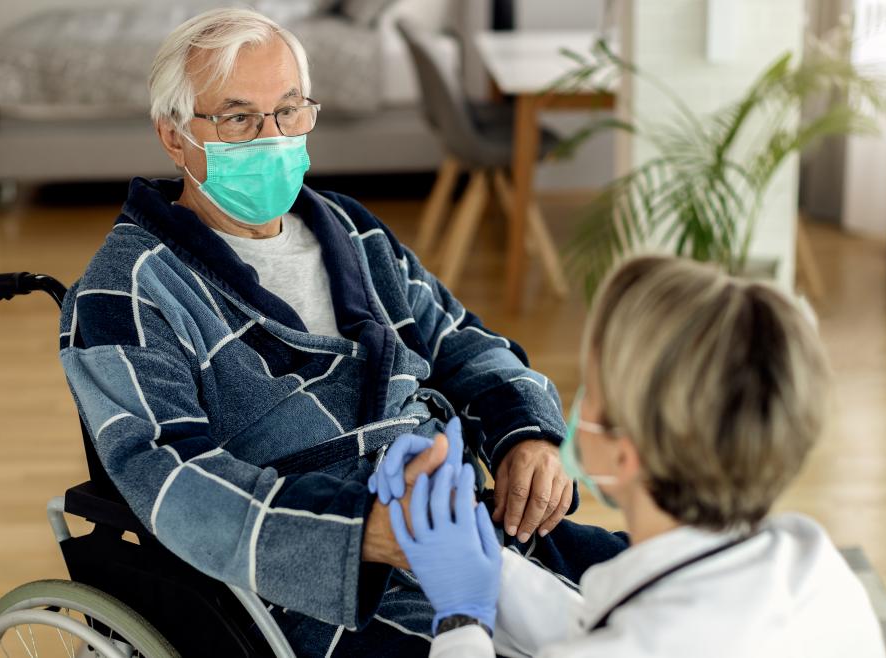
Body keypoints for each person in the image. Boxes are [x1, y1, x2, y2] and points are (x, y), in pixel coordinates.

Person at [56, 8, 626, 655]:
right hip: (316, 584)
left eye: (290, 110)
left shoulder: (349, 230)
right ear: (174, 134)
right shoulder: (126, 291)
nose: (272, 137)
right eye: (239, 118)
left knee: (654, 599)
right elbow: (172, 480)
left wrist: (528, 436)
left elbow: (462, 339)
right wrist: (362, 531)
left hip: (456, 517)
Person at [374, 256, 886, 657]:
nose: (574, 406)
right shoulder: (812, 559)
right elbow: (596, 621)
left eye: (591, 391)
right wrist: (485, 563)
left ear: (624, 455)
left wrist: (461, 619)